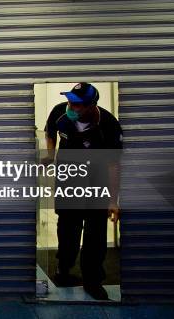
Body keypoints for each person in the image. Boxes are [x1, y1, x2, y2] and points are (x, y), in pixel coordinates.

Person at [43, 82, 123, 300]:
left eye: (76, 104)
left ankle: (93, 281)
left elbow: (114, 166)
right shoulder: (61, 112)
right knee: (68, 226)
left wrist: (113, 201)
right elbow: (50, 131)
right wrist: (51, 155)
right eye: (70, 100)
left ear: (90, 105)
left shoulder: (109, 126)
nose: (70, 105)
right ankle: (64, 270)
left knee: (95, 233)